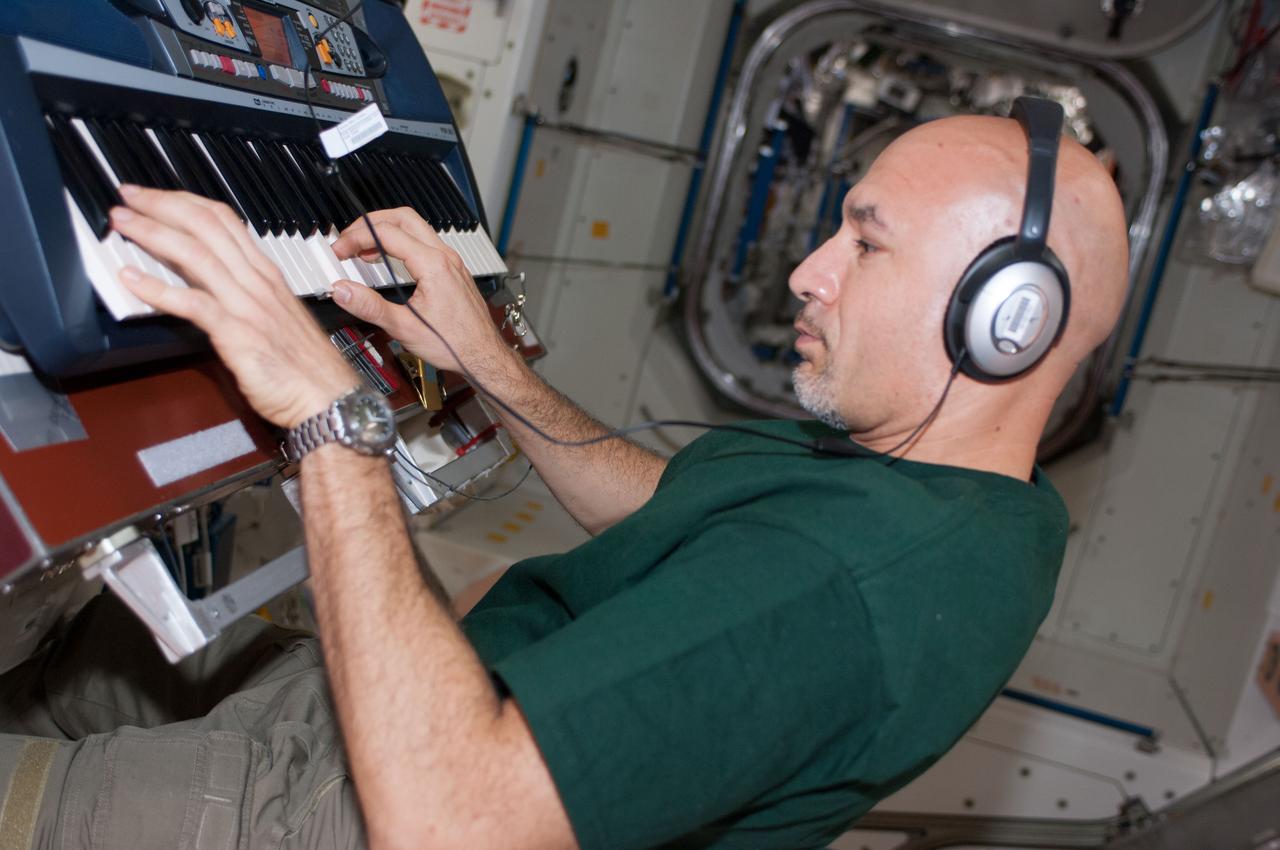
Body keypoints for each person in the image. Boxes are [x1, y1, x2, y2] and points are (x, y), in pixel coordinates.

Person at [0, 110, 1128, 850]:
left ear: (1002, 320)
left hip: (356, 807)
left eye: (866, 245)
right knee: (62, 647)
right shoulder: (960, 489)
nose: (806, 273)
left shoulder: (853, 586)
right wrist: (485, 364)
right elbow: (669, 516)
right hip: (384, 710)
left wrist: (327, 418)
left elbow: (447, 821)